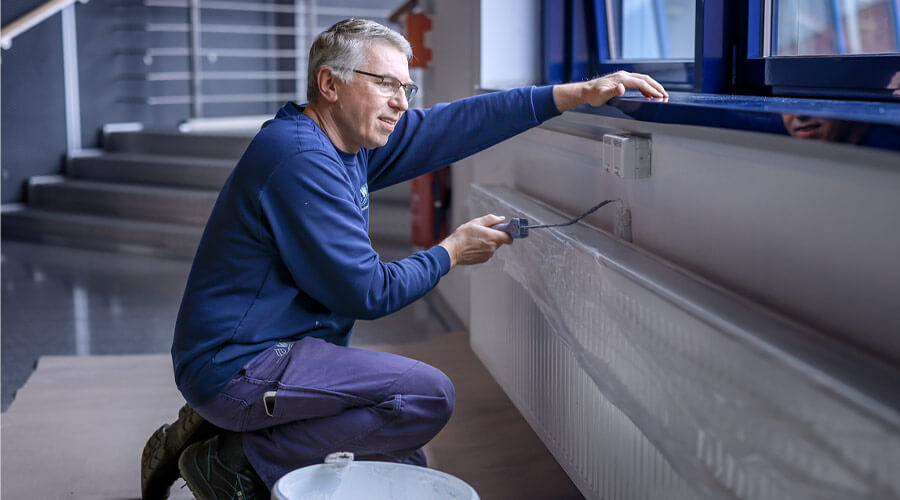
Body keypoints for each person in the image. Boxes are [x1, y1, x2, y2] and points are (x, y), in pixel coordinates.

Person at [140, 18, 667, 500]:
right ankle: (237, 462)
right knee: (424, 397)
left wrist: (576, 94)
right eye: (385, 83)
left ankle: (223, 428)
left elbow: (455, 124)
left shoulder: (346, 142)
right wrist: (450, 253)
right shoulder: (301, 159)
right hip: (239, 364)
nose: (400, 101)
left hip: (269, 349)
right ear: (330, 85)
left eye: (405, 87)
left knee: (402, 454)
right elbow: (367, 291)